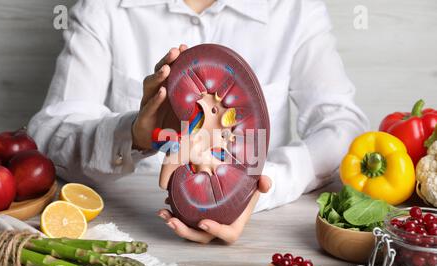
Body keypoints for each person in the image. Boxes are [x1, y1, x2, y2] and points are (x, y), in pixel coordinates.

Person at [28, 0, 369, 244]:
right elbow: (48, 133)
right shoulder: (103, 8)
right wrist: (134, 134)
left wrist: (258, 188)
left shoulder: (296, 9)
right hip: (125, 230)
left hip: (262, 235)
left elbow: (344, 127)